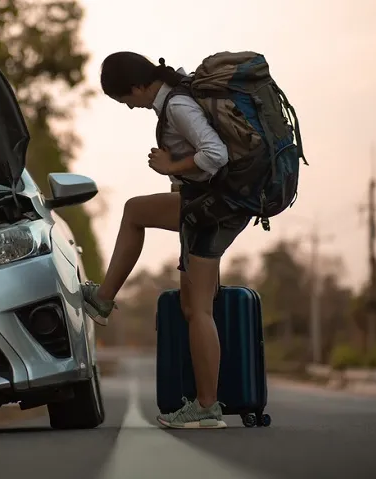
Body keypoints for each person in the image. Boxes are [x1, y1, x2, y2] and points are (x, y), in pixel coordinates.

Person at [82, 52, 253, 430]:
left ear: (138, 86)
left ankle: (103, 301)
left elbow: (216, 154)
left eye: (125, 99)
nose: (129, 107)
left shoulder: (177, 105)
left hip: (213, 208)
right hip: (206, 210)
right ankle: (205, 404)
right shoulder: (176, 99)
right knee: (194, 307)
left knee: (134, 212)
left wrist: (171, 165)